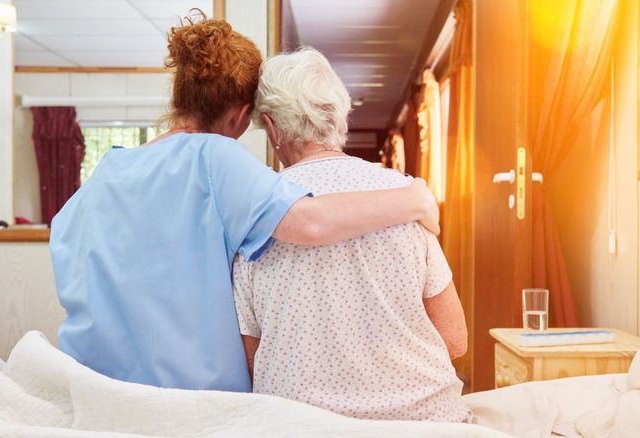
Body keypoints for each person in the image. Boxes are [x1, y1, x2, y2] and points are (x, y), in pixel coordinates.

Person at [49, 12, 440, 394]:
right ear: (239, 115)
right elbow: (311, 223)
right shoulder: (213, 155)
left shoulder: (109, 168)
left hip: (95, 387)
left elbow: (69, 252)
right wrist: (415, 198)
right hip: (191, 402)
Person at [232, 47, 472, 422]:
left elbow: (250, 360)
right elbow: (454, 339)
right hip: (426, 423)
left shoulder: (256, 216)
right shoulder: (405, 197)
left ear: (273, 128)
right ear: (339, 116)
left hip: (302, 427)